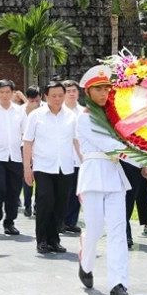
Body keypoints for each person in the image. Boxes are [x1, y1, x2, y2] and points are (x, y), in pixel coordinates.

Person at [76, 65, 132, 295]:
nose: (103, 93)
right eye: (98, 89)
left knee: (118, 231)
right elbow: (113, 146)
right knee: (95, 229)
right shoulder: (84, 119)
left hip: (114, 177)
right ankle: (86, 263)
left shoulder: (116, 117)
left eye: (106, 89)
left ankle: (118, 282)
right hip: (93, 176)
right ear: (88, 92)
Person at [23, 81, 78, 255]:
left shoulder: (71, 116)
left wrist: (85, 162)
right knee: (45, 201)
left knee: (61, 204)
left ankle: (54, 239)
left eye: (60, 95)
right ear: (46, 96)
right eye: (53, 95)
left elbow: (77, 141)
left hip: (65, 166)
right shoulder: (36, 115)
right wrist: (27, 168)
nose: (57, 99)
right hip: (43, 166)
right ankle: (42, 240)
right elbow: (27, 142)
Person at [0, 79, 27, 236]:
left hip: (16, 156)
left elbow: (26, 134)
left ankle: (9, 221)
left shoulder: (20, 112)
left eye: (8, 92)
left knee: (14, 190)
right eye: (2, 92)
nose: (5, 95)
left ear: (13, 93)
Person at [62, 79, 85, 234]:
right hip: (63, 158)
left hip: (81, 159)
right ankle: (60, 221)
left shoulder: (84, 112)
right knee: (63, 192)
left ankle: (71, 221)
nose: (71, 94)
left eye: (74, 91)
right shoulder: (57, 111)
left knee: (77, 192)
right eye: (68, 91)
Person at [21, 84, 43, 217]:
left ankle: (37, 205)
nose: (34, 103)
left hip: (41, 148)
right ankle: (27, 204)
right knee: (27, 176)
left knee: (41, 178)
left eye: (37, 100)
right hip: (26, 146)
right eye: (31, 100)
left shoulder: (47, 108)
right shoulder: (21, 111)